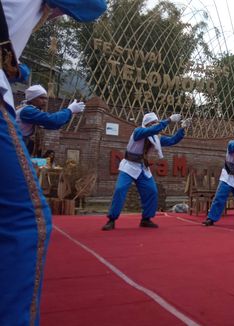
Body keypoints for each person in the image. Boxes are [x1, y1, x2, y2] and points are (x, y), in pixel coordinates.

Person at [0, 1, 106, 325]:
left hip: (21, 144)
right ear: (33, 101)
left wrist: (18, 68)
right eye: (42, 99)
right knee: (26, 217)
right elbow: (93, 5)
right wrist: (71, 112)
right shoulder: (28, 111)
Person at [102, 113, 188, 230]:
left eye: (156, 123)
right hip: (129, 166)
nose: (156, 126)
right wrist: (168, 120)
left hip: (142, 168)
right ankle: (111, 219)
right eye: (153, 123)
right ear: (147, 124)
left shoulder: (155, 139)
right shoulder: (138, 132)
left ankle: (146, 219)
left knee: (152, 191)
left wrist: (182, 129)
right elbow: (153, 130)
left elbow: (172, 140)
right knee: (120, 189)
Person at [16, 84, 85, 155]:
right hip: (15, 142)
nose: (45, 101)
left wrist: (69, 113)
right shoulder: (27, 111)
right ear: (32, 99)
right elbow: (52, 121)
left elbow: (52, 125)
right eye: (41, 98)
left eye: (46, 98)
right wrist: (69, 110)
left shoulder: (29, 110)